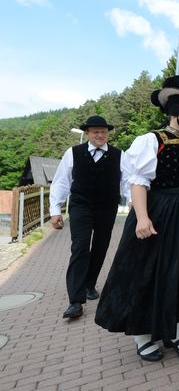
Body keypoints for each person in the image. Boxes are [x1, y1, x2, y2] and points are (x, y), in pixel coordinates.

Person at [94, 76, 179, 362]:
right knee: (148, 272)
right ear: (174, 109)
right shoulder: (152, 140)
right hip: (160, 213)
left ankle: (176, 332)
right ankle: (143, 336)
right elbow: (138, 182)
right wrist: (142, 218)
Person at [50, 115, 125, 320]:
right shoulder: (73, 153)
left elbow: (128, 182)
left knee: (101, 246)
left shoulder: (120, 155)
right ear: (87, 134)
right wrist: (55, 210)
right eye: (95, 132)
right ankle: (75, 300)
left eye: (103, 132)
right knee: (80, 247)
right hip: (80, 205)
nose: (100, 135)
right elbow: (61, 182)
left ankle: (90, 284)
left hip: (107, 207)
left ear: (107, 133)